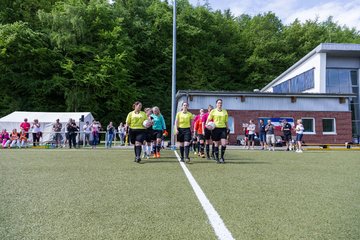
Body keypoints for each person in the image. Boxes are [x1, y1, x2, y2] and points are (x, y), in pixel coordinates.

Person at [206, 99, 228, 164]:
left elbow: (226, 121)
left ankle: (222, 157)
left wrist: (228, 128)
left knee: (224, 144)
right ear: (216, 104)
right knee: (216, 144)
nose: (220, 104)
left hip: (223, 129)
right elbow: (208, 120)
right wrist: (207, 125)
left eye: (221, 103)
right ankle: (217, 158)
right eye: (218, 103)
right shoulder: (213, 111)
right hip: (215, 129)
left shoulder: (225, 111)